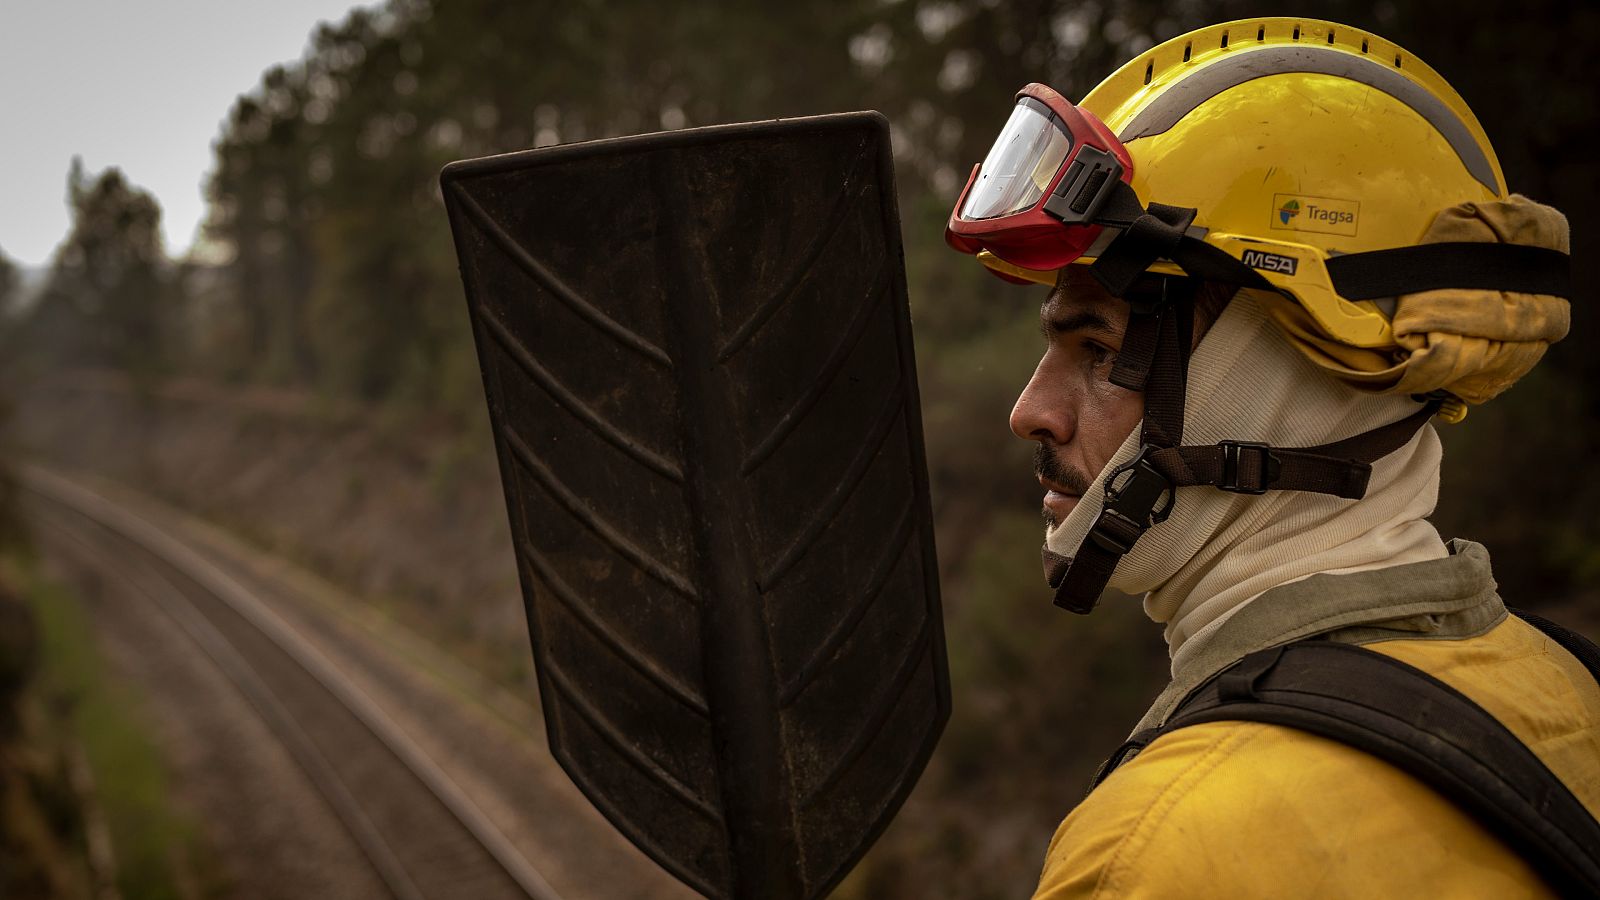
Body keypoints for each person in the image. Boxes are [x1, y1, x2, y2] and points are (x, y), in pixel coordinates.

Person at [943, 17, 1600, 898]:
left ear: (1285, 378)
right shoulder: (1571, 693)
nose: (1031, 413)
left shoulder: (1157, 854)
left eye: (1097, 350)